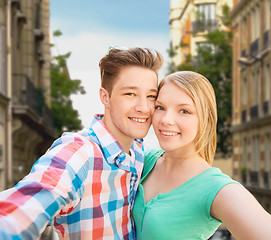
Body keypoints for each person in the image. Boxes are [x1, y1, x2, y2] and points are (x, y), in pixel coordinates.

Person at [0, 47, 163, 239]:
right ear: (105, 97)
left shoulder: (137, 152)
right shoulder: (79, 152)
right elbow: (22, 209)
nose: (144, 108)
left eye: (151, 96)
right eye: (130, 94)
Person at [132, 71, 271, 240]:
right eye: (160, 107)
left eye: (184, 111)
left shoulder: (217, 189)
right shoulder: (144, 160)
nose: (166, 119)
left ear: (206, 120)